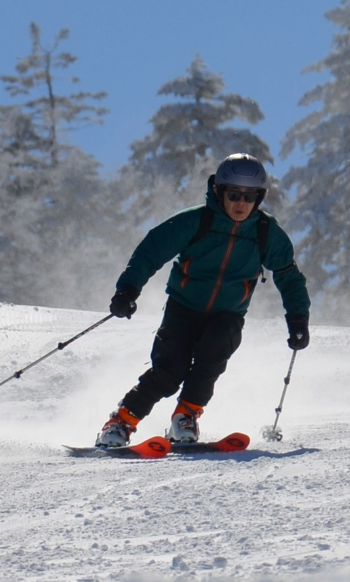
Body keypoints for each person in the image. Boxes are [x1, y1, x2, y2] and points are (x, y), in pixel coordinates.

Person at [96, 153, 312, 446]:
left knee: (212, 356)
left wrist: (298, 319)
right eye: (234, 194)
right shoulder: (197, 221)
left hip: (228, 314)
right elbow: (151, 250)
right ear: (219, 192)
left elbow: (289, 276)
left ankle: (185, 418)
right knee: (170, 370)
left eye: (249, 197)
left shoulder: (266, 232)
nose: (241, 203)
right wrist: (128, 290)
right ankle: (120, 423)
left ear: (259, 199)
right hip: (184, 307)